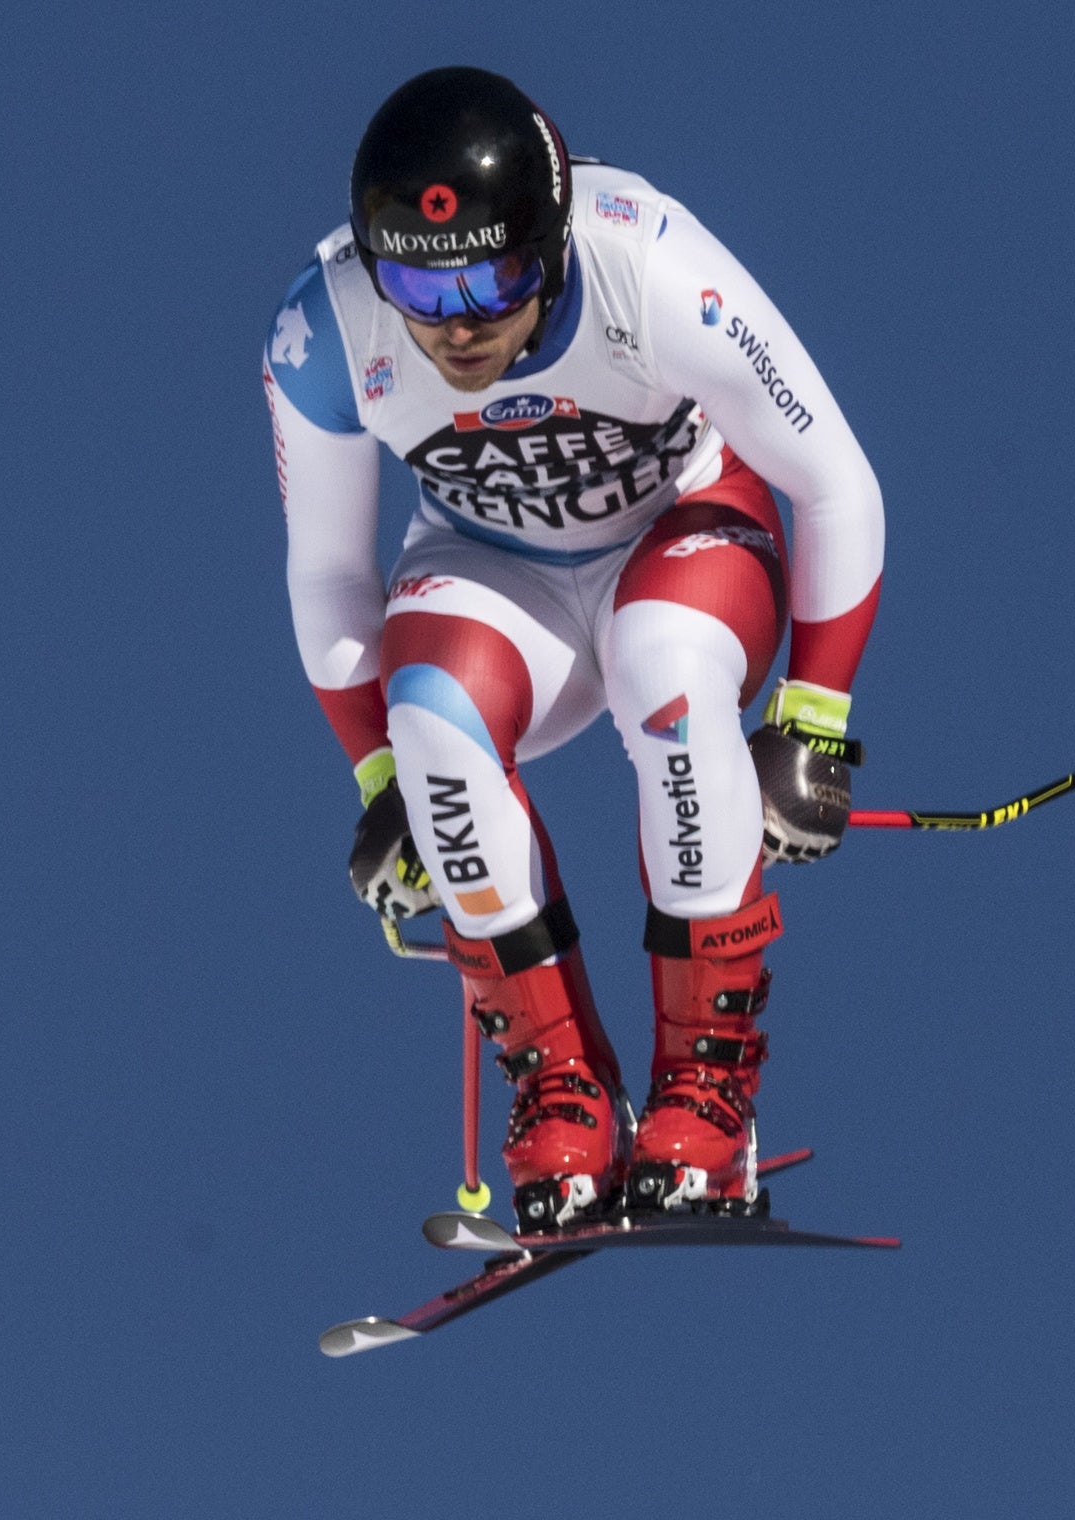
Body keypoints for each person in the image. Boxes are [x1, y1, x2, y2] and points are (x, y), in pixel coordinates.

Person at [266, 67, 884, 1232]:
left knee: (662, 663)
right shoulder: (323, 333)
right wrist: (382, 779)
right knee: (431, 729)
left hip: (683, 531)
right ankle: (562, 1091)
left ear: (546, 250)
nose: (454, 322)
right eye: (413, 282)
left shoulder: (647, 269)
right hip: (498, 573)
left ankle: (705, 1089)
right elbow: (329, 575)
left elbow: (834, 482)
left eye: (492, 278)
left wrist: (812, 723)